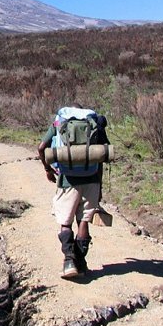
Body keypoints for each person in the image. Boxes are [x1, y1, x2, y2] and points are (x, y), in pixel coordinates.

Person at [37, 104, 110, 278]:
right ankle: (81, 263)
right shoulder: (94, 122)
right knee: (83, 221)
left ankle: (69, 261)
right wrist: (99, 187)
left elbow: (41, 147)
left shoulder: (59, 122)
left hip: (67, 180)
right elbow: (102, 155)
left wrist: (47, 169)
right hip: (92, 178)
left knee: (65, 221)